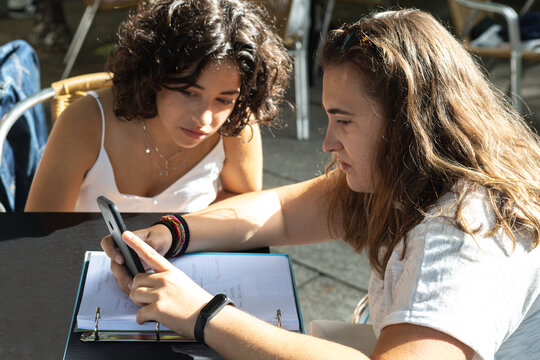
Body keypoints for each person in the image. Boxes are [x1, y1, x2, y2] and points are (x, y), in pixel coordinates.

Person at [102, 9, 540, 359]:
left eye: (344, 121)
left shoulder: (464, 234)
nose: (329, 142)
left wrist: (203, 315)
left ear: (409, 124)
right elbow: (285, 211)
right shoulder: (413, 173)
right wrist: (172, 233)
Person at [24, 0, 290, 212]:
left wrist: (181, 237)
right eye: (188, 92)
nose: (204, 118)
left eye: (224, 99)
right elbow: (41, 231)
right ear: (154, 76)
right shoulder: (85, 120)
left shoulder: (236, 122)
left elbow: (242, 203)